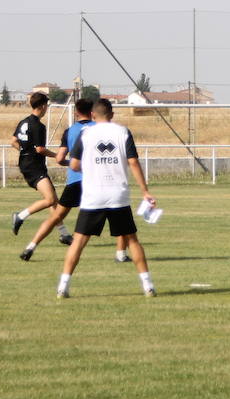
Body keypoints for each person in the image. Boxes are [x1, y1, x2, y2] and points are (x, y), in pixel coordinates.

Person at [56, 98, 157, 299]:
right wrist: (145, 190)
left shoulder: (86, 134)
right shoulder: (122, 132)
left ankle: (63, 286)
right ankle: (148, 286)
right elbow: (133, 162)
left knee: (78, 242)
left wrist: (92, 166)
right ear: (112, 115)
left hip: (93, 195)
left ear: (93, 115)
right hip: (117, 195)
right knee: (132, 240)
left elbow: (74, 165)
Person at [19, 98, 91, 262]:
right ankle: (121, 253)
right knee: (118, 216)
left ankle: (31, 246)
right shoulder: (100, 129)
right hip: (96, 181)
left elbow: (59, 159)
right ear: (92, 112)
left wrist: (70, 163)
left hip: (74, 180)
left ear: (76, 112)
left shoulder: (70, 131)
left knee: (55, 216)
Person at [9, 92, 58, 236]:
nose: (47, 108)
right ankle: (20, 216)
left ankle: (64, 233)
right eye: (47, 106)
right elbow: (40, 149)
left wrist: (25, 150)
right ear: (43, 106)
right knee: (50, 199)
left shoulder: (24, 121)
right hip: (34, 166)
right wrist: (57, 156)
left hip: (26, 163)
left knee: (54, 200)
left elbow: (13, 141)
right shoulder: (38, 126)